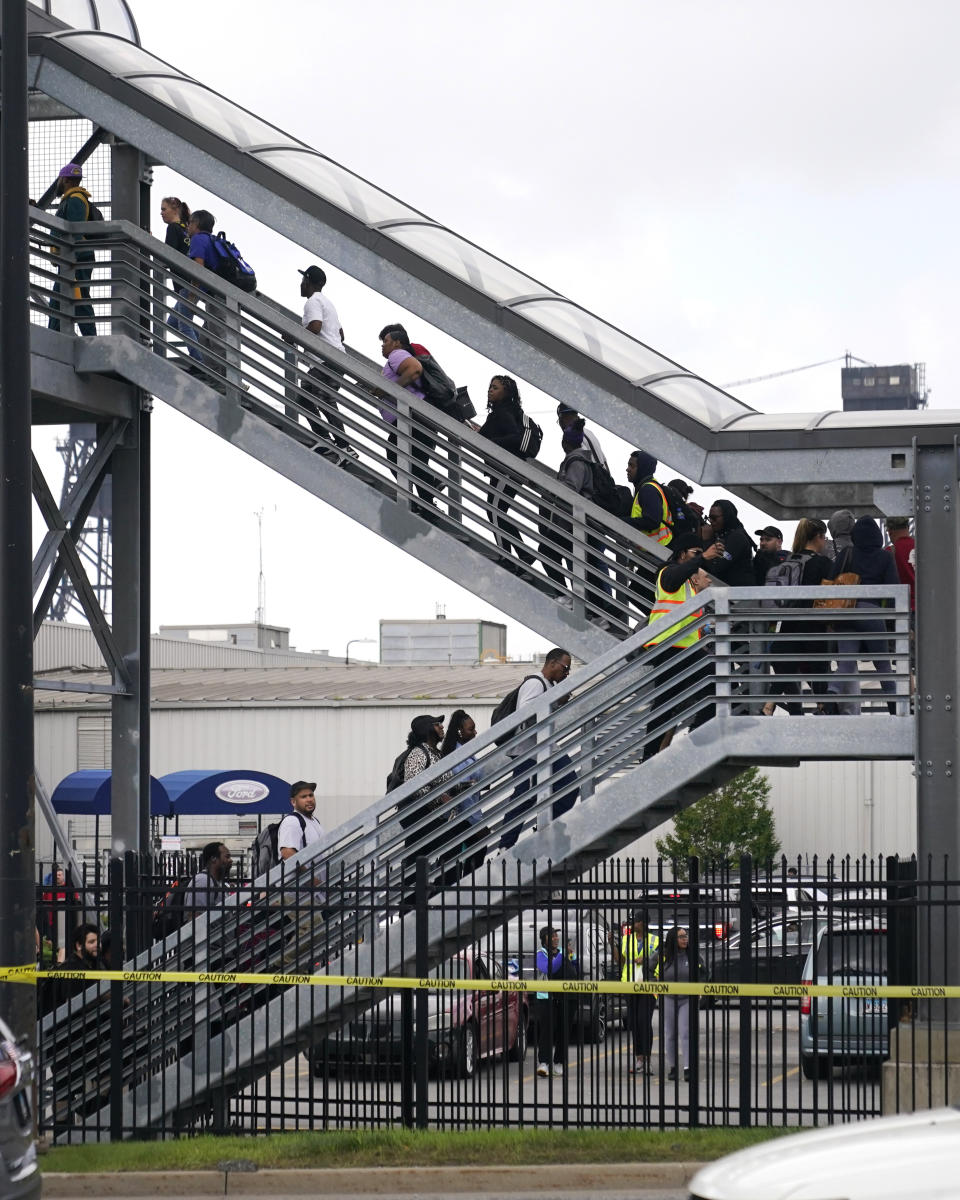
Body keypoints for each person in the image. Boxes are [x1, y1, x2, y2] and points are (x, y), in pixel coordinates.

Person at [642, 533, 723, 760]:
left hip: (685, 648)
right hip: (668, 647)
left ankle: (694, 734)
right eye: (695, 553)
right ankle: (651, 756)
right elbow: (671, 580)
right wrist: (702, 557)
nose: (699, 558)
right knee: (665, 705)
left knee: (671, 703)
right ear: (681, 554)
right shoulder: (667, 573)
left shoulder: (688, 582)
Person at [499, 649, 579, 849]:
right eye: (565, 668)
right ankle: (506, 846)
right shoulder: (535, 683)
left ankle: (544, 829)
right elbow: (526, 715)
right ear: (552, 663)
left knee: (566, 785)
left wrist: (556, 702)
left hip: (542, 750)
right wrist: (556, 702)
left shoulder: (547, 685)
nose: (566, 673)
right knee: (524, 798)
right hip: (530, 753)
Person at [826, 516, 900, 715]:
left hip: (846, 612)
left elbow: (831, 580)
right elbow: (893, 588)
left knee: (846, 662)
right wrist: (895, 621)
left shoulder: (846, 553)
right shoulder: (885, 557)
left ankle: (831, 696)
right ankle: (895, 708)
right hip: (871, 612)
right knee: (883, 664)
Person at [763, 518, 834, 715]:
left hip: (789, 624)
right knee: (819, 674)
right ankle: (823, 712)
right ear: (818, 537)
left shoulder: (790, 560)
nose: (825, 541)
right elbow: (830, 596)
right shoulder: (822, 562)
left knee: (785, 670)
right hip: (814, 626)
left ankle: (768, 707)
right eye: (824, 537)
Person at [378, 324, 444, 514]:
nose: (382, 346)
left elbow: (414, 370)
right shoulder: (397, 357)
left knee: (395, 454)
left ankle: (425, 500)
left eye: (386, 342)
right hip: (417, 417)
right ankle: (427, 503)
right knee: (416, 460)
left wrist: (389, 390)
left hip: (412, 418)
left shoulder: (396, 355)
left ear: (397, 343)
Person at [555, 421, 615, 624]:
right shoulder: (582, 460)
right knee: (587, 565)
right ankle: (597, 610)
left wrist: (553, 489)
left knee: (552, 551)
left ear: (565, 443)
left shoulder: (576, 462)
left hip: (578, 523)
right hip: (582, 523)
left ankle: (592, 607)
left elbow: (571, 488)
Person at [296, 265, 357, 461]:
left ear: (307, 281)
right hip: (336, 359)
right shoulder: (328, 303)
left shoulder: (313, 301)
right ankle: (331, 442)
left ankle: (343, 447)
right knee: (308, 396)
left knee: (316, 397)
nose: (300, 285)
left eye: (302, 281)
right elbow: (341, 334)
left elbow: (315, 326)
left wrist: (294, 337)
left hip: (326, 361)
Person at [478, 376, 536, 567]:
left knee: (495, 509)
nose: (490, 390)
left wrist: (492, 444)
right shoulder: (499, 413)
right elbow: (483, 435)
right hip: (503, 470)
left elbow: (516, 438)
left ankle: (508, 556)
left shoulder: (503, 413)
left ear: (506, 392)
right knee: (497, 509)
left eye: (495, 387)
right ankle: (522, 554)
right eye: (490, 386)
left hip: (507, 469)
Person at [48, 162, 98, 337]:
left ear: (66, 179)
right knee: (57, 301)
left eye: (61, 179)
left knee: (79, 298)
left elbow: (75, 232)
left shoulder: (75, 199)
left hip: (75, 259)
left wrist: (65, 255)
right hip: (70, 259)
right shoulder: (72, 198)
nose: (59, 182)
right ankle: (52, 338)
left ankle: (91, 340)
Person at [439, 709, 488, 876]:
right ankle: (466, 889)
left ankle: (461, 890)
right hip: (463, 814)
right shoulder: (458, 756)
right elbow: (463, 792)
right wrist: (476, 822)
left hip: (466, 814)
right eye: (471, 729)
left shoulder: (464, 752)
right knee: (476, 846)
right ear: (460, 732)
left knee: (455, 857)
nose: (475, 732)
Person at [185, 209, 231, 383]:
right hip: (220, 296)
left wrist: (192, 297)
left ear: (196, 224)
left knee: (218, 339)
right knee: (205, 338)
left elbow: (198, 270)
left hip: (217, 297)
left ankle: (230, 381)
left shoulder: (198, 240)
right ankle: (214, 376)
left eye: (189, 222)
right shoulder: (212, 240)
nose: (187, 226)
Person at [613, 911, 660, 1075]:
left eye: (636, 921)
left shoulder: (655, 940)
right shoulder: (626, 939)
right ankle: (639, 1059)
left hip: (648, 985)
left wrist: (645, 960)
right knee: (633, 1022)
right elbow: (621, 961)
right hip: (630, 985)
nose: (633, 924)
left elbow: (661, 959)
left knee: (644, 1021)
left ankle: (647, 1060)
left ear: (643, 923)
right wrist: (613, 945)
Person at [159, 195, 203, 365]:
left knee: (183, 324)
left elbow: (167, 254)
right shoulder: (187, 229)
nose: (161, 213)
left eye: (164, 209)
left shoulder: (173, 228)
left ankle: (200, 362)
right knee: (175, 322)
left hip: (183, 284)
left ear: (175, 209)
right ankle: (204, 355)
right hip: (191, 283)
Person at [656, 926, 704, 1082]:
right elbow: (648, 968)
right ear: (673, 939)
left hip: (687, 998)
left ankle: (688, 1068)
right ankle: (673, 1068)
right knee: (670, 1033)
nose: (685, 939)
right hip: (668, 997)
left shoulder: (692, 955)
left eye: (686, 936)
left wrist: (700, 987)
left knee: (685, 1032)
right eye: (681, 936)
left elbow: (705, 971)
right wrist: (653, 985)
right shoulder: (663, 955)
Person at [534, 926, 580, 1076]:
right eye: (552, 936)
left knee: (564, 1030)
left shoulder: (563, 953)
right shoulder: (541, 954)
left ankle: (559, 1061)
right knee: (547, 1030)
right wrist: (563, 954)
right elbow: (549, 969)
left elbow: (574, 969)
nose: (556, 938)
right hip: (547, 997)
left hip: (566, 996)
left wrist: (572, 959)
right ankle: (544, 1063)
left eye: (556, 935)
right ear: (544, 939)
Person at [700, 499, 755, 586]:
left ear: (727, 517)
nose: (711, 522)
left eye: (714, 518)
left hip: (737, 594)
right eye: (709, 518)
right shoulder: (721, 534)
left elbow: (717, 567)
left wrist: (706, 540)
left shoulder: (737, 538)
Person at [626, 451, 674, 549]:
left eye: (632, 466)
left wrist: (623, 522)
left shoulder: (648, 490)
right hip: (653, 549)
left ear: (642, 469)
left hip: (657, 550)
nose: (627, 469)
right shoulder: (649, 487)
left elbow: (652, 521)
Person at [278, 780, 326, 861]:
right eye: (304, 797)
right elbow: (287, 853)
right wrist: (308, 873)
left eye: (311, 795)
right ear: (293, 802)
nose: (309, 799)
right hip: (305, 874)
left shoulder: (314, 821)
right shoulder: (292, 821)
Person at [183, 842, 234, 913]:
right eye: (227, 857)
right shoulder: (203, 881)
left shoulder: (217, 882)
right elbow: (195, 918)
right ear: (213, 859)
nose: (231, 860)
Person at [556, 404, 609, 469]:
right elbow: (604, 461)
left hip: (591, 477)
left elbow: (581, 461)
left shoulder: (575, 437)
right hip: (603, 475)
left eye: (562, 419)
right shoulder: (589, 433)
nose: (562, 424)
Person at [886, 517, 915, 616]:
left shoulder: (889, 553)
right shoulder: (922, 547)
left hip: (902, 610)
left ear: (890, 532)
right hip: (925, 607)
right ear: (908, 527)